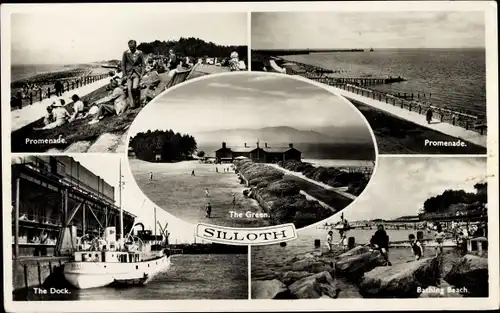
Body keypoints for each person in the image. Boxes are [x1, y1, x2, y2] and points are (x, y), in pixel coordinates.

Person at [122, 39, 146, 109]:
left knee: (134, 88)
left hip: (137, 73)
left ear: (136, 46)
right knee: (129, 89)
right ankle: (132, 105)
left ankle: (137, 100)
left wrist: (142, 73)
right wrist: (124, 74)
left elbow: (143, 64)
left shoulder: (140, 53)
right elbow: (123, 64)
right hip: (129, 73)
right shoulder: (125, 53)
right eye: (130, 47)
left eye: (133, 47)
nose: (131, 49)